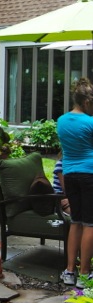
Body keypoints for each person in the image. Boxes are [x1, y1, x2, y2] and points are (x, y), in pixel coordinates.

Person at [57, 77, 93, 287]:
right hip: (89, 175)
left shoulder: (61, 121)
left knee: (76, 221)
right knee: (90, 224)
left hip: (70, 174)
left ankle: (69, 271)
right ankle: (85, 274)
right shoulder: (90, 122)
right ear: (86, 102)